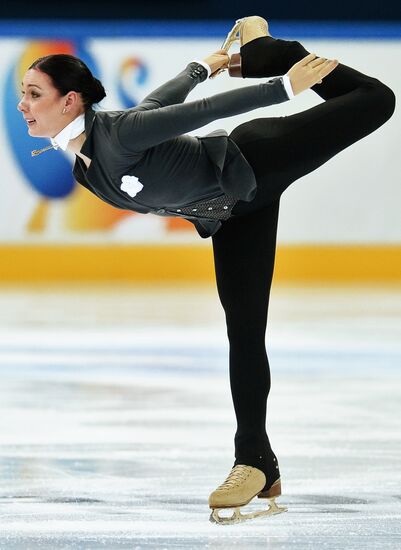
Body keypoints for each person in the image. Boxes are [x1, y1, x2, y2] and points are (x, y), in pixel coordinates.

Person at [18, 15, 395, 525]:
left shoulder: (118, 135)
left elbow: (205, 112)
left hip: (255, 159)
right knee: (244, 330)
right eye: (23, 93)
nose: (23, 106)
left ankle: (279, 52)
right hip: (233, 211)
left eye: (34, 94)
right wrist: (203, 65)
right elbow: (159, 102)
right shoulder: (86, 168)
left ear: (69, 101)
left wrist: (284, 84)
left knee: (377, 101)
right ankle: (256, 459)